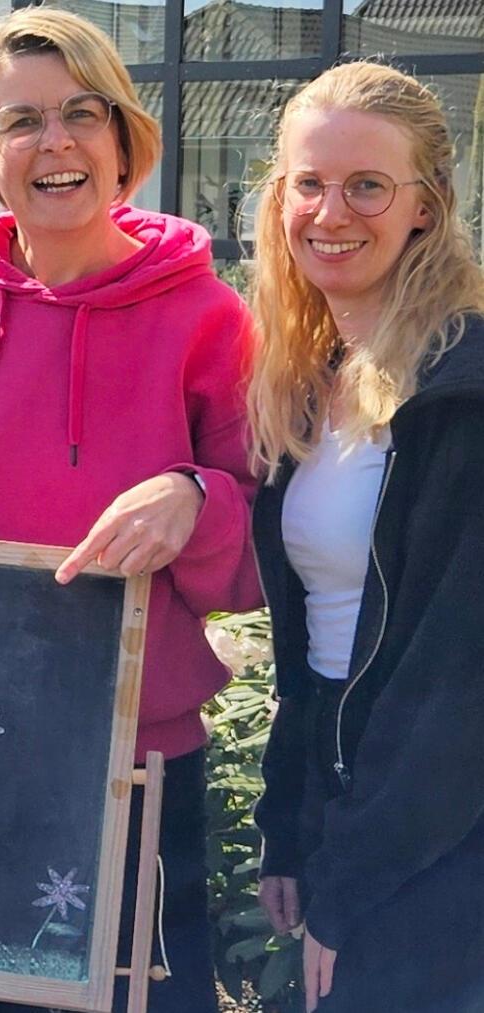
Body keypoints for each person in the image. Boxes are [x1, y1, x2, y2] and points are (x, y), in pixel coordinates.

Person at [0, 10, 260, 1011]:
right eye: (23, 122)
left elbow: (268, 544)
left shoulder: (210, 318)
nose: (57, 143)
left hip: (133, 763)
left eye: (84, 114)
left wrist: (198, 496)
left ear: (124, 141)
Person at [247, 62, 484, 1013]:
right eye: (309, 182)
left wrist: (352, 886)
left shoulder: (462, 394)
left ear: (426, 206)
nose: (330, 212)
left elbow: (454, 684)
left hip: (441, 850)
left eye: (368, 186)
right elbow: (316, 647)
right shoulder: (319, 378)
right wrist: (291, 825)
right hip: (354, 817)